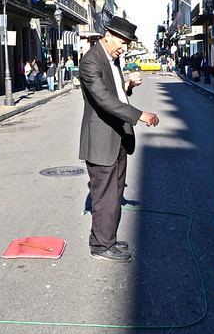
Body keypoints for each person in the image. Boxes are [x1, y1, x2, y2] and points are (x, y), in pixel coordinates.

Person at [79, 15, 159, 262]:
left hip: (118, 136)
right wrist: (140, 115)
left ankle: (107, 239)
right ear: (109, 36)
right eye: (123, 42)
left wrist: (128, 85)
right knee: (104, 195)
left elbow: (115, 93)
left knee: (113, 193)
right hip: (102, 139)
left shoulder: (112, 59)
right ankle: (101, 247)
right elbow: (103, 100)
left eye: (128, 43)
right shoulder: (91, 61)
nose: (125, 47)